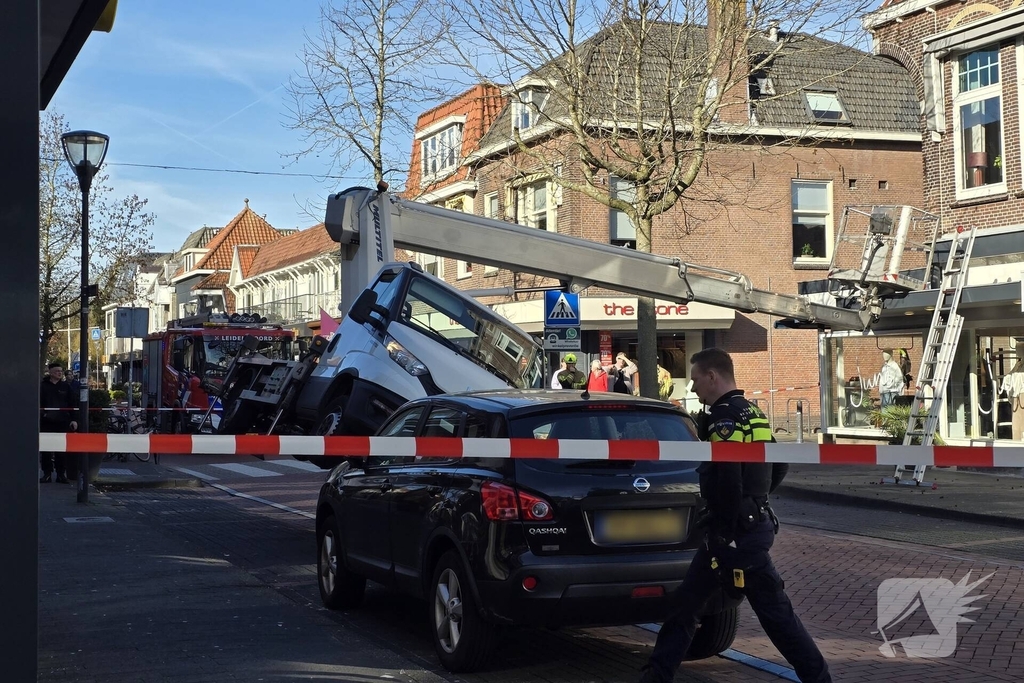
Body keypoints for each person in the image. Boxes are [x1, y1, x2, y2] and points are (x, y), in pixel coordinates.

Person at [639, 348, 831, 683]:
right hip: (745, 527)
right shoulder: (752, 412)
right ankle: (656, 676)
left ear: (712, 376)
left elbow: (727, 476)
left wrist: (726, 529)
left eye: (696, 380)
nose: (694, 389)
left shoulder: (723, 417)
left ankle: (818, 677)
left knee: (776, 616)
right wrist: (757, 499)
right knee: (686, 606)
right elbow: (779, 462)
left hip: (734, 536)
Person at [40, 362, 78, 484]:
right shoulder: (42, 386)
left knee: (61, 449)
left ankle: (61, 474)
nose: (60, 373)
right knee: (46, 449)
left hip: (62, 421)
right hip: (46, 421)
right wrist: (42, 415)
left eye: (61, 371)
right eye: (57, 371)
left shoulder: (66, 387)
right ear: (50, 373)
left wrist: (74, 419)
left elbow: (72, 403)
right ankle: (47, 474)